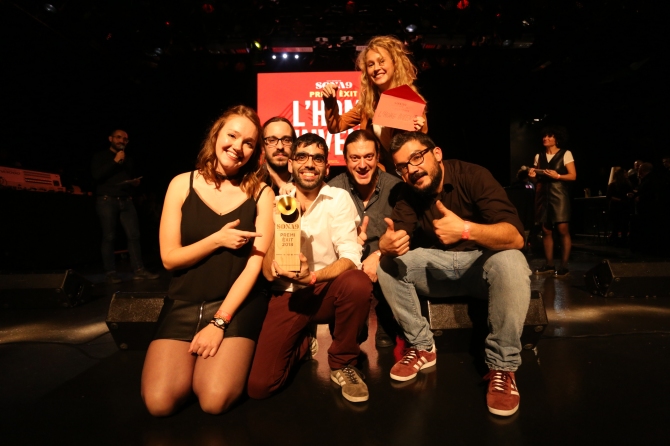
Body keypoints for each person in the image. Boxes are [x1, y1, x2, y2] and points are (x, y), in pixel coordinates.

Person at [376, 132, 531, 417]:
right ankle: (422, 346)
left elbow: (515, 236)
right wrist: (386, 246)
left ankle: (503, 367)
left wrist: (466, 230)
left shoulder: (473, 176)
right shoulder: (409, 193)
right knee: (387, 264)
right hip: (440, 268)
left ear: (436, 154)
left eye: (416, 158)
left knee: (512, 260)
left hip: (483, 265)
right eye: (402, 166)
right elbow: (396, 235)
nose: (411, 170)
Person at [141, 105, 275, 416]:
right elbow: (169, 259)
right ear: (216, 135)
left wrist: (219, 321)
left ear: (255, 151)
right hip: (184, 302)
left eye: (249, 143)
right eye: (232, 135)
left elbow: (254, 265)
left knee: (214, 400)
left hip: (234, 306)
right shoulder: (181, 184)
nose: (238, 147)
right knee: (159, 403)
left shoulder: (262, 194)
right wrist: (217, 239)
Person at [247, 133, 373, 403]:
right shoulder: (275, 201)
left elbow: (351, 257)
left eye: (317, 158)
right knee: (260, 386)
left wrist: (312, 276)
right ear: (291, 164)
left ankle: (343, 362)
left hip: (323, 290)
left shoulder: (338, 198)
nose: (309, 164)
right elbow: (267, 272)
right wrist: (278, 221)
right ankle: (303, 343)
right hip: (286, 295)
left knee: (357, 282)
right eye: (302, 157)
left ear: (326, 168)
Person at [328, 129, 403, 348]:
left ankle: (386, 317)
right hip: (347, 260)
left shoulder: (396, 188)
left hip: (385, 258)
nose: (362, 165)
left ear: (378, 157)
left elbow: (407, 233)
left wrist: (380, 255)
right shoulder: (333, 189)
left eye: (368, 156)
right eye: (355, 158)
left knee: (400, 260)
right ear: (345, 160)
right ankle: (349, 325)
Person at [322, 35, 428, 173]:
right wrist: (330, 101)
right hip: (383, 176)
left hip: (409, 171)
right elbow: (336, 126)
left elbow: (422, 144)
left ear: (394, 63)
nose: (376, 68)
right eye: (370, 64)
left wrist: (420, 129)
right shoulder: (368, 104)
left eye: (381, 61)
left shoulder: (409, 99)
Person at [91, 129, 160, 284]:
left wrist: (134, 183)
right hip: (107, 200)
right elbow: (96, 175)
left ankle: (139, 270)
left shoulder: (128, 159)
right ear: (110, 138)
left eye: (125, 139)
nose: (122, 141)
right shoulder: (101, 156)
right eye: (118, 137)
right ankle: (110, 273)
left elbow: (126, 178)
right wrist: (115, 161)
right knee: (109, 236)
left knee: (134, 236)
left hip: (126, 200)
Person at [528, 126, 576, 277]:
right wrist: (531, 176)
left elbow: (573, 176)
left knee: (562, 230)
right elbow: (535, 180)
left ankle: (564, 266)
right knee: (546, 230)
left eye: (549, 136)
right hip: (543, 196)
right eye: (544, 136)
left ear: (557, 139)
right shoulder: (539, 156)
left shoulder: (565, 153)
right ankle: (549, 264)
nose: (545, 139)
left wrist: (558, 176)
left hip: (559, 195)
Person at [261, 116, 296, 194]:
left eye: (286, 140)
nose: (280, 147)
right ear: (263, 146)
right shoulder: (251, 182)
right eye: (272, 140)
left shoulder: (304, 181)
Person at [606, 167, 633, 246]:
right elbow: (609, 196)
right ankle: (616, 241)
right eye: (625, 173)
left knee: (623, 225)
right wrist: (621, 200)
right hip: (617, 207)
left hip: (623, 206)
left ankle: (622, 241)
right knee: (617, 225)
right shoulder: (613, 185)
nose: (626, 174)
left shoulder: (627, 184)